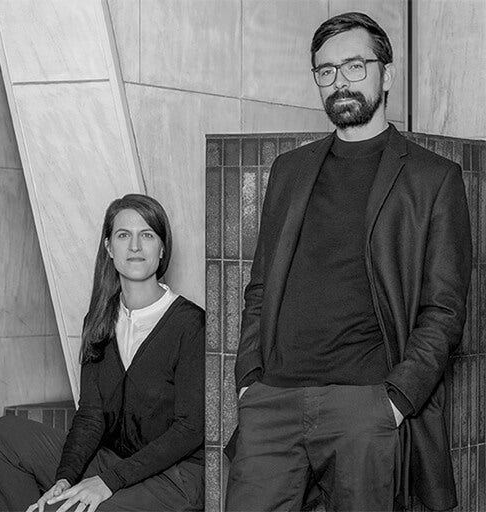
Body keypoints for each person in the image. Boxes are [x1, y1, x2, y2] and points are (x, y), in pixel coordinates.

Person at [225, 11, 471, 512]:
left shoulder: (432, 178)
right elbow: (261, 286)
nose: (340, 81)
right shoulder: (289, 170)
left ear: (386, 74)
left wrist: (396, 400)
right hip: (272, 402)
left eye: (355, 66)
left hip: (365, 405)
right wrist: (249, 379)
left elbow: (444, 310)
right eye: (326, 70)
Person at [0, 194, 205, 512]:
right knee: (2, 437)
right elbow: (90, 415)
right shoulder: (99, 320)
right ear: (109, 248)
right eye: (124, 235)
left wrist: (109, 482)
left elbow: (190, 429)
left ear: (162, 248)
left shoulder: (191, 323)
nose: (135, 246)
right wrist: (65, 478)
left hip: (172, 478)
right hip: (113, 462)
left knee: (73, 509)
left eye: (147, 235)